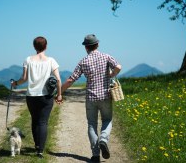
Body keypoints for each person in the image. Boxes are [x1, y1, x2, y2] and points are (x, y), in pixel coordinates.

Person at [60, 34, 122, 162]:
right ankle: (103, 139)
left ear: (86, 47)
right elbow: (118, 67)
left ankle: (95, 155)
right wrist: (111, 74)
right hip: (105, 95)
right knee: (107, 120)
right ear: (97, 44)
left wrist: (59, 92)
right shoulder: (106, 56)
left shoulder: (83, 61)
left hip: (91, 98)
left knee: (92, 124)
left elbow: (71, 79)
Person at [11, 36, 63, 159]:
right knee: (43, 122)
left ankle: (36, 145)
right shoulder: (51, 61)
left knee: (35, 120)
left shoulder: (28, 60)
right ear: (46, 46)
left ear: (34, 47)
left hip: (31, 96)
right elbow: (58, 80)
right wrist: (59, 95)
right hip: (46, 96)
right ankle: (40, 150)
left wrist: (15, 84)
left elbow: (24, 78)